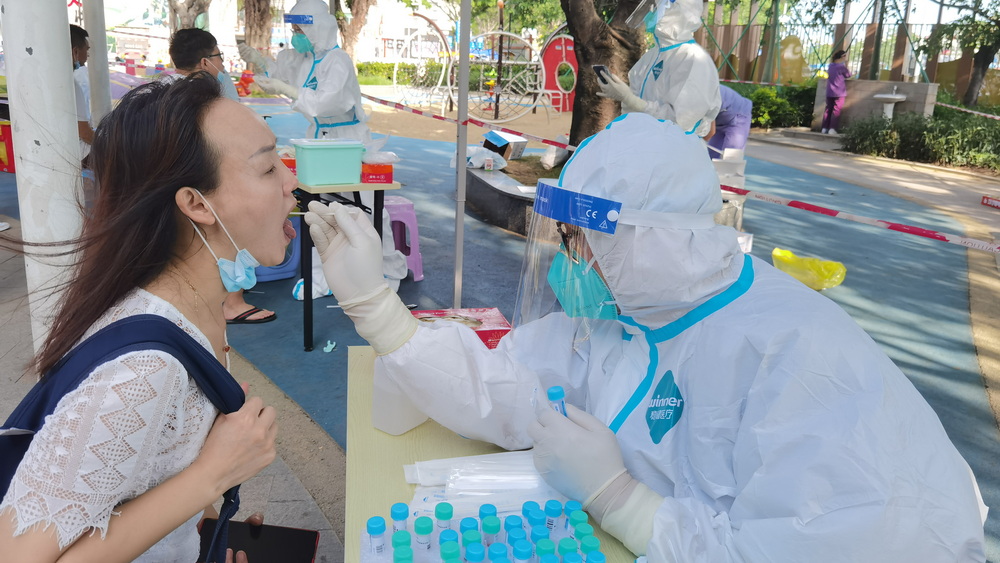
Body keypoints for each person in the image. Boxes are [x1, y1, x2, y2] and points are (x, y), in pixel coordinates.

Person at [305, 112, 987, 561]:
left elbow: (846, 541)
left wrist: (625, 504)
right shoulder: (634, 318)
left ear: (648, 242)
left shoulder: (797, 356)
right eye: (569, 238)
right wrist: (381, 314)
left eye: (584, 240)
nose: (574, 259)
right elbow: (508, 387)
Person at [0, 74, 289, 562]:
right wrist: (213, 475)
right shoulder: (144, 372)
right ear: (195, 203)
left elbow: (143, 482)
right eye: (267, 168)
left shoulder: (195, 310)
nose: (291, 181)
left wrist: (202, 530)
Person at [239, 0, 406, 300]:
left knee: (369, 209)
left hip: (349, 141)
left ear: (316, 29)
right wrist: (260, 62)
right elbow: (282, 71)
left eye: (299, 30)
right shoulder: (305, 58)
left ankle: (385, 270)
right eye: (293, 30)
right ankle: (325, 277)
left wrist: (285, 89)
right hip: (319, 141)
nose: (296, 36)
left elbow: (325, 103)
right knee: (320, 210)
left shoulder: (338, 60)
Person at [167, 28, 277, 324]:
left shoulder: (162, 89)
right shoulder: (211, 91)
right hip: (211, 178)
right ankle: (233, 302)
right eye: (219, 56)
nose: (223, 63)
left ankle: (203, 299)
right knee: (230, 232)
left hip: (178, 184)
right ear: (205, 61)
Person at [596, 0, 720, 137]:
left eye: (657, 7)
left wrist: (631, 100)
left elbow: (681, 123)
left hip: (675, 146)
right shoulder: (650, 57)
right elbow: (632, 109)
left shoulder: (693, 60)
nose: (651, 12)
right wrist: (623, 95)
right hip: (644, 140)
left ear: (678, 12)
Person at [707, 85, 752, 157]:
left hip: (738, 116)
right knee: (712, 154)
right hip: (720, 119)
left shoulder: (708, 97)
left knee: (731, 155)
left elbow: (710, 132)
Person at [70, 24, 94, 155]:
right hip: (77, 154)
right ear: (76, 52)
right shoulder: (74, 84)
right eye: (86, 50)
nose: (87, 55)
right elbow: (84, 133)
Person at [822, 49, 852, 135]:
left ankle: (824, 128)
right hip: (839, 92)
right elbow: (848, 75)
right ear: (842, 57)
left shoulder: (830, 66)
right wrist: (846, 65)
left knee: (828, 109)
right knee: (836, 110)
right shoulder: (841, 67)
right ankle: (832, 129)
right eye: (845, 56)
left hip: (830, 91)